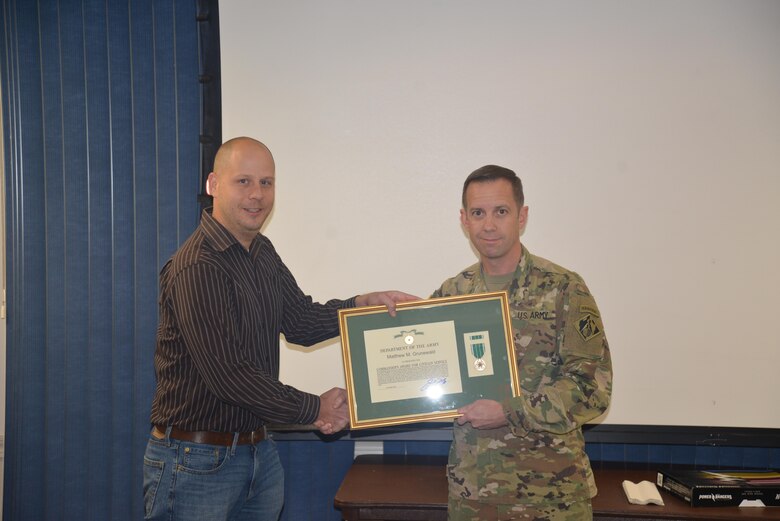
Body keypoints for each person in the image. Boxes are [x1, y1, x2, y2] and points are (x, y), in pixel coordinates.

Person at [142, 136, 417, 521]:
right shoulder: (198, 266)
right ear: (213, 185)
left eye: (266, 183)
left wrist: (359, 306)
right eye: (244, 181)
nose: (257, 195)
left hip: (257, 452)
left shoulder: (262, 251)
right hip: (196, 462)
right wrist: (315, 407)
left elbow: (301, 320)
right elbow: (230, 377)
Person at [431, 165, 612, 520]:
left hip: (552, 496)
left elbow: (592, 389)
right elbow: (424, 370)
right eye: (478, 213)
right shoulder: (452, 293)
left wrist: (510, 410)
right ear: (464, 220)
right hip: (475, 494)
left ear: (521, 216)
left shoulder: (564, 288)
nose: (489, 225)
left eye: (501, 211)